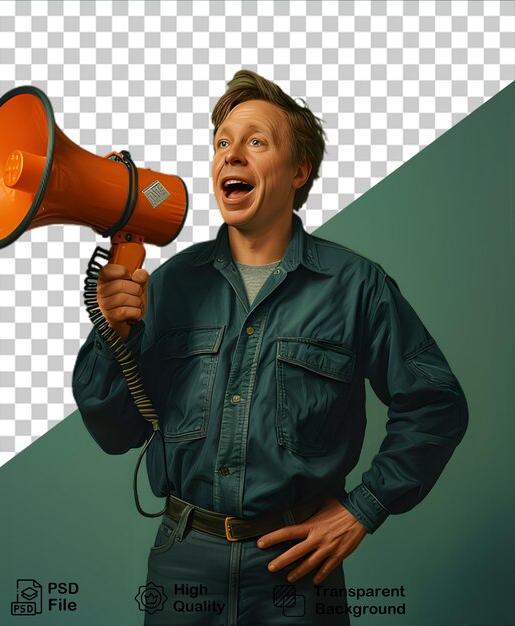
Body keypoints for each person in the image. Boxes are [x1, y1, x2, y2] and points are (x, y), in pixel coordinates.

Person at [72, 70, 468, 626]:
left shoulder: (357, 286)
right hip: (183, 565)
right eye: (221, 143)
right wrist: (112, 331)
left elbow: (436, 403)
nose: (231, 154)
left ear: (298, 170)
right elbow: (114, 432)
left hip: (297, 571)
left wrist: (363, 510)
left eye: (256, 141)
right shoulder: (168, 287)